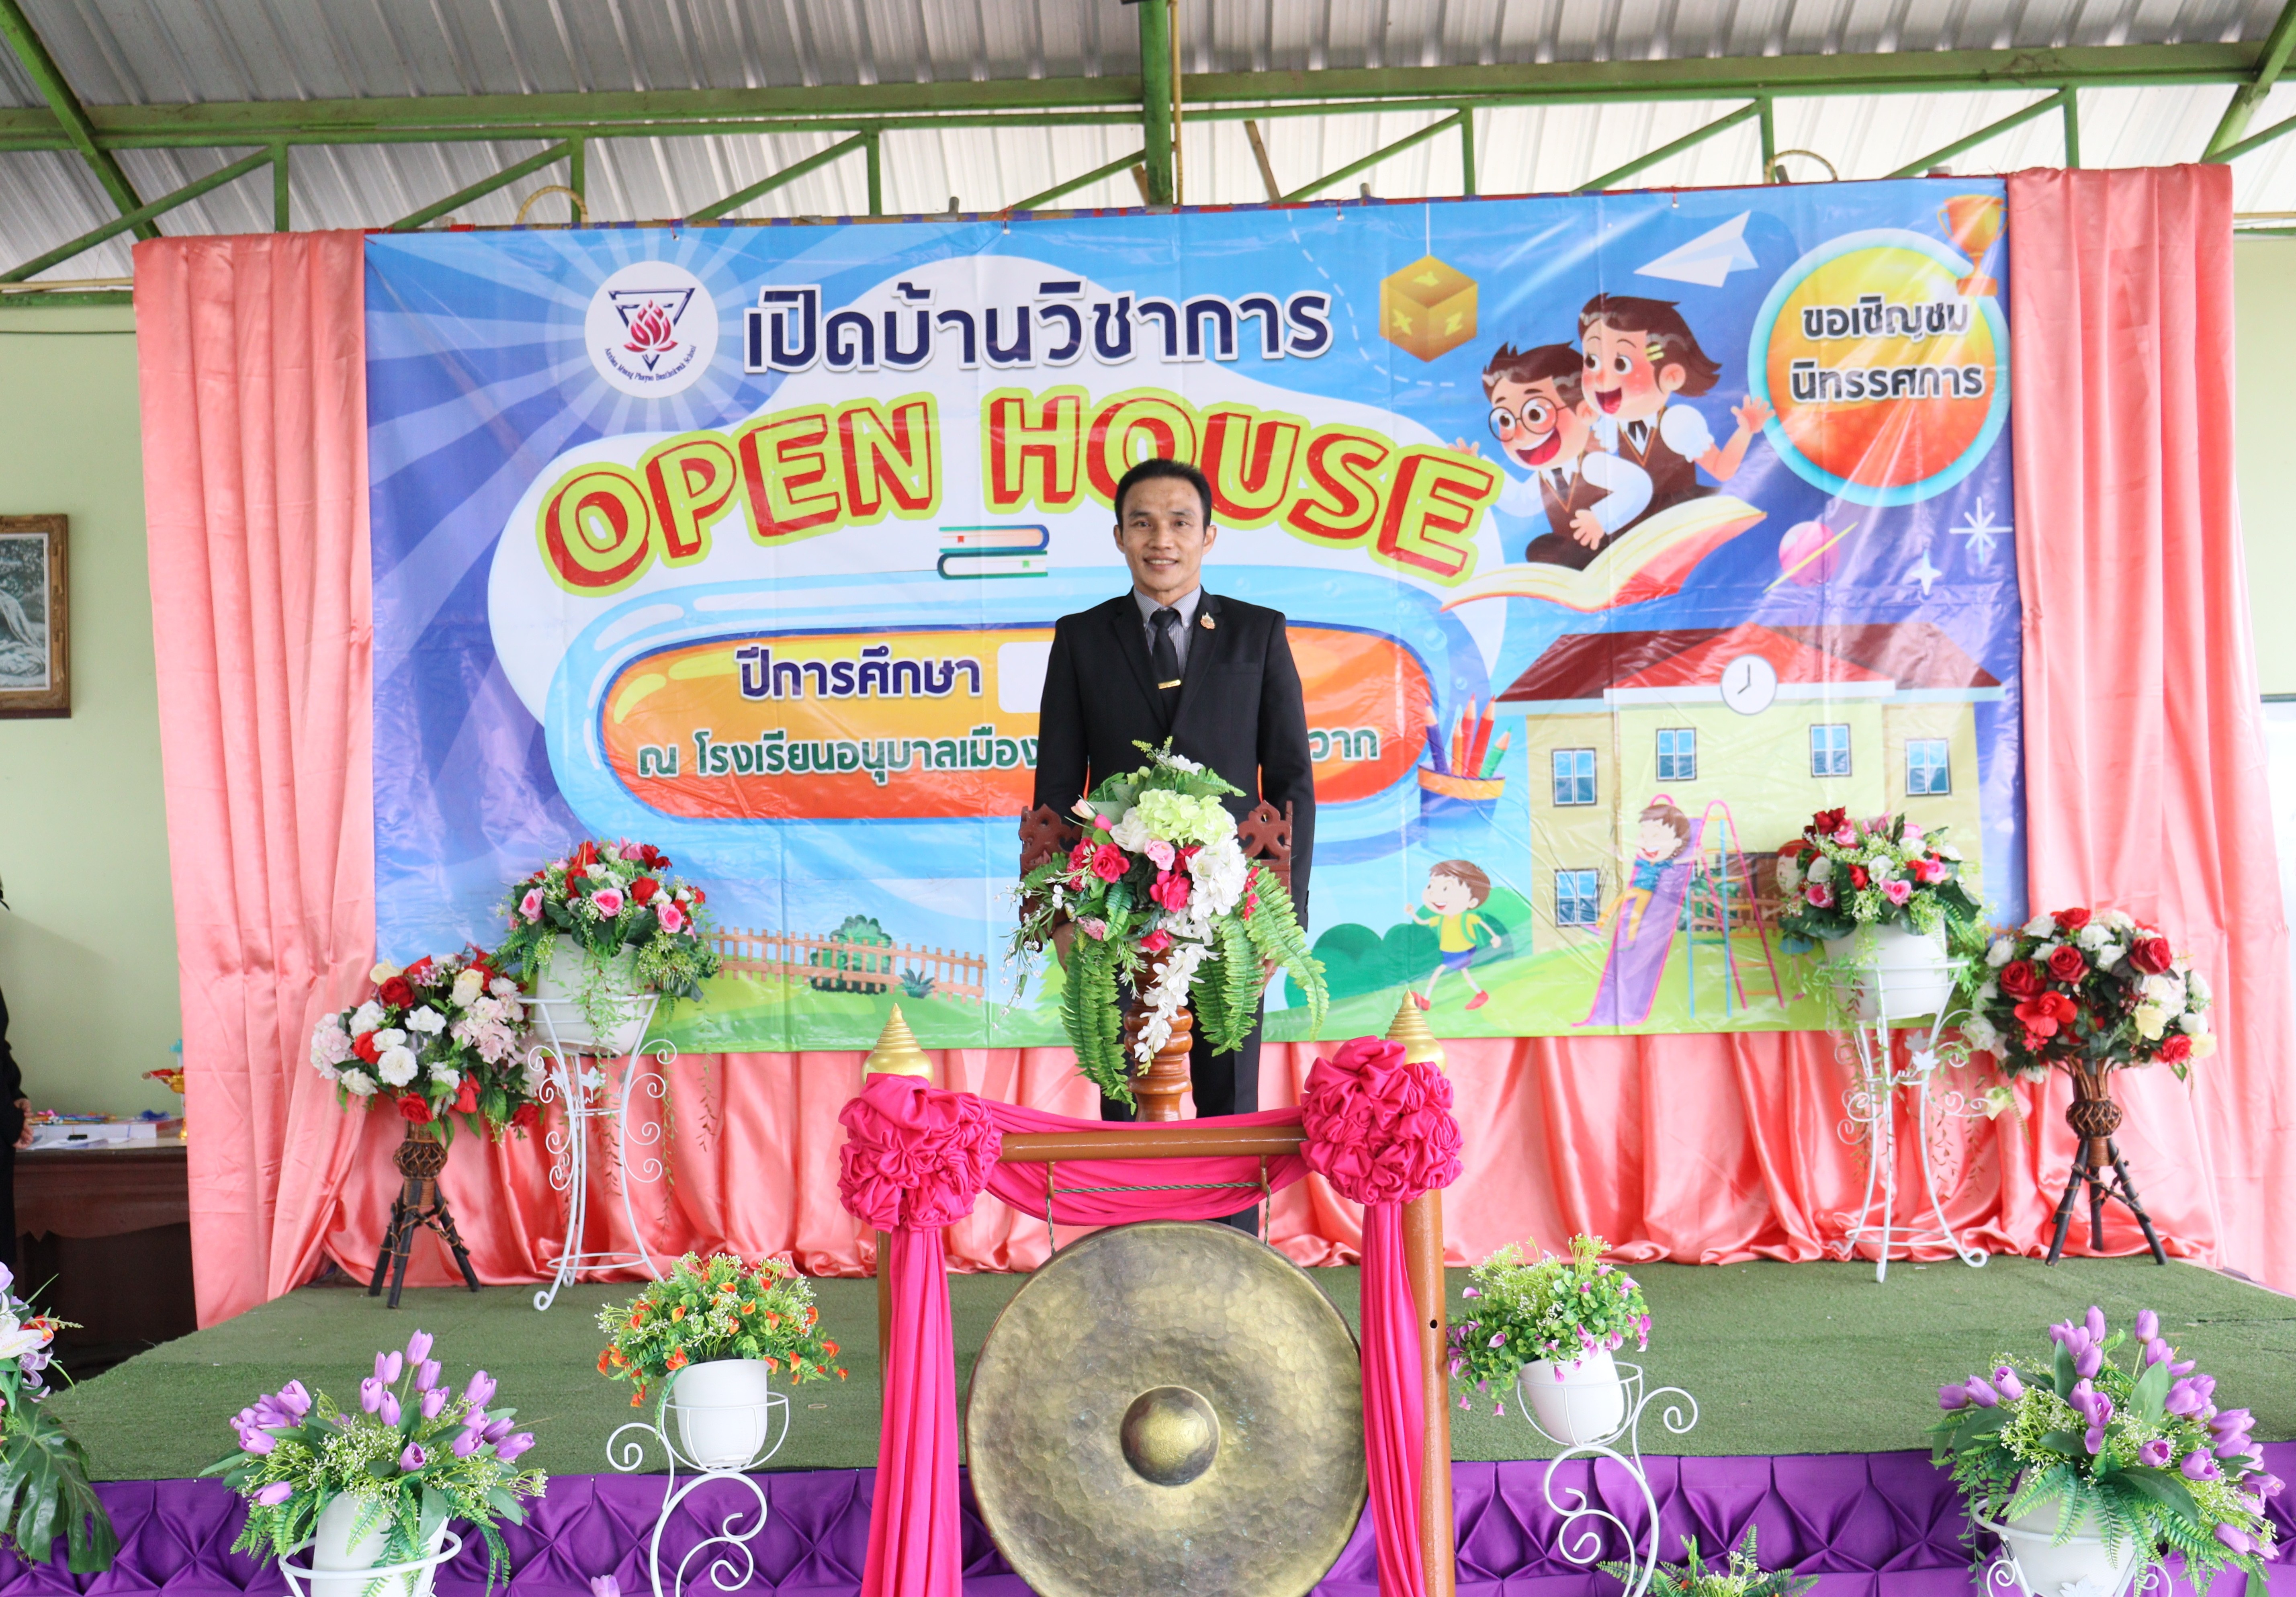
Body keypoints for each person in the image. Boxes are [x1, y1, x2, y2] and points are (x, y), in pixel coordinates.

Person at [1033, 457, 1316, 1151]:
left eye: (1179, 522)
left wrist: (1284, 919)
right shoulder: (1080, 637)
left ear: (1207, 535)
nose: (1161, 539)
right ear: (1119, 536)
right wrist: (1060, 915)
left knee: (1228, 1098)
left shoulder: (1257, 632)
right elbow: (1056, 789)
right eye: (1142, 523)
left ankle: (1235, 1225)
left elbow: (1290, 780)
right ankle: (1130, 1220)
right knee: (1123, 1089)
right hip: (1112, 907)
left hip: (1233, 905)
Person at [1577, 293, 1772, 520]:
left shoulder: (1677, 423)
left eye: (1621, 364)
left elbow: (1722, 470)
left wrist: (1745, 431)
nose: (1601, 378)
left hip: (1682, 515)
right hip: (1638, 519)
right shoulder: (1609, 428)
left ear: (1671, 375)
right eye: (1592, 361)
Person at [1467, 342, 1652, 565]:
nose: (1520, 434)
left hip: (1614, 547)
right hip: (1578, 553)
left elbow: (1638, 486)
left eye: (1535, 415)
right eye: (1505, 420)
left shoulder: (1591, 465)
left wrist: (1601, 519)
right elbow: (1521, 502)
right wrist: (1477, 470)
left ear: (1585, 411)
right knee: (1540, 549)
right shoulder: (1545, 476)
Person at [1408, 860, 1498, 1011]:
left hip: (1461, 951)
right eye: (1430, 887)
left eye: (1446, 888)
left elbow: (1481, 923)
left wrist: (1495, 937)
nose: (1433, 893)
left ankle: (1426, 1000)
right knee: (1465, 973)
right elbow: (1423, 922)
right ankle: (1480, 994)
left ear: (1472, 902)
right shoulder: (1442, 919)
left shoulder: (1465, 917)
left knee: (1439, 972)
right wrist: (1412, 913)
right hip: (1449, 951)